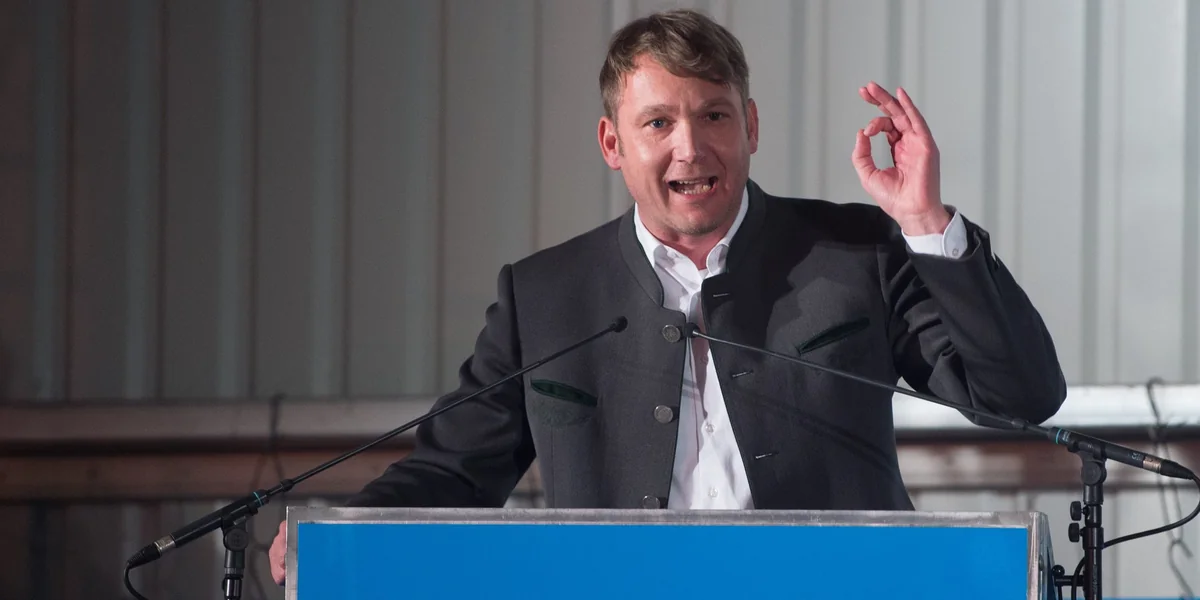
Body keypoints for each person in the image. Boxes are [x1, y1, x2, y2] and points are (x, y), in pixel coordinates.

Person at [270, 8, 1065, 585]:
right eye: (658, 123)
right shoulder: (545, 295)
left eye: (714, 115)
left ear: (751, 127)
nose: (691, 147)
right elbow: (452, 472)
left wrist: (925, 220)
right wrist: (333, 533)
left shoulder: (858, 252)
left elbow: (1020, 396)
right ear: (612, 143)